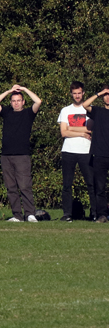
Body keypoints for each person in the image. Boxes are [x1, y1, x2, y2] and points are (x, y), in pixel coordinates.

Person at [0, 85, 42, 223]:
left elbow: (38, 101)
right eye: (13, 101)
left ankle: (30, 214)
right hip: (6, 155)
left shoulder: (28, 113)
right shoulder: (7, 112)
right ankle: (17, 215)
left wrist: (24, 89)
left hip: (22, 155)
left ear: (23, 102)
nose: (16, 103)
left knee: (25, 186)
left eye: (19, 100)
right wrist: (8, 91)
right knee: (11, 187)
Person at [58, 81, 94, 221]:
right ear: (71, 94)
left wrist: (71, 128)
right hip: (68, 151)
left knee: (91, 183)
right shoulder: (65, 110)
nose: (77, 96)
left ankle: (95, 213)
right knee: (67, 184)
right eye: (75, 93)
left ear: (83, 93)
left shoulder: (89, 110)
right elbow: (63, 132)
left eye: (79, 93)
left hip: (86, 151)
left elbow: (90, 129)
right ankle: (67, 214)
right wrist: (82, 133)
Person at [83, 86, 109, 223]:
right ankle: (102, 215)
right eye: (106, 95)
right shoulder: (98, 111)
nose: (107, 97)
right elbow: (85, 104)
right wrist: (99, 93)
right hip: (99, 154)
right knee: (100, 188)